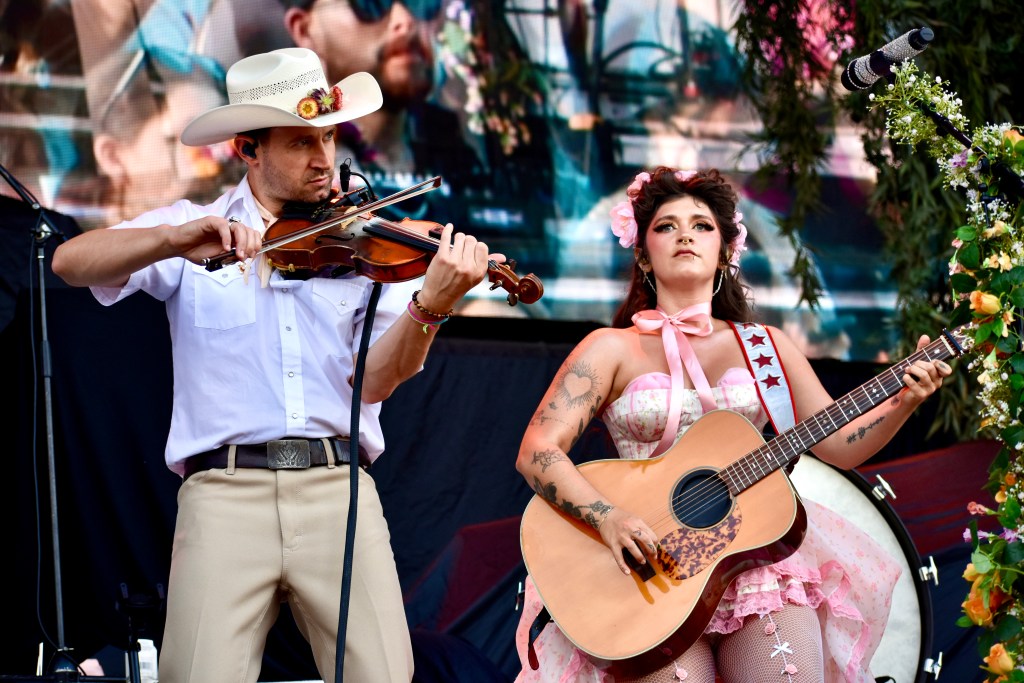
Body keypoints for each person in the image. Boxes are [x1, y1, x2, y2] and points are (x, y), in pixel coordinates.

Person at [51, 46, 497, 683]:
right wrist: (172, 241)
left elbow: (374, 381)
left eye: (328, 137)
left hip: (337, 488)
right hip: (223, 493)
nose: (323, 159)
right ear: (247, 149)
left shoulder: (361, 238)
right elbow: (70, 263)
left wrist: (431, 306)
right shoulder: (192, 228)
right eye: (300, 142)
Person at [512, 166, 952, 682]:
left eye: (701, 225)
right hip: (646, 573)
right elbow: (537, 450)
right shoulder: (609, 348)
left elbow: (838, 446)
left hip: (755, 565)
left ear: (725, 252)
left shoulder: (766, 346)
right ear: (643, 254)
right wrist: (608, 518)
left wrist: (903, 402)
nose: (685, 235)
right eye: (666, 226)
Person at [276, 0, 487, 222]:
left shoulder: (456, 149)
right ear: (305, 30)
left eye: (420, 3)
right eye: (372, 4)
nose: (405, 21)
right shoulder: (286, 165)